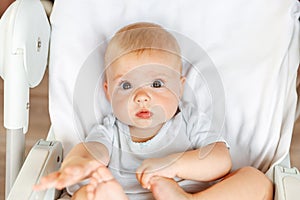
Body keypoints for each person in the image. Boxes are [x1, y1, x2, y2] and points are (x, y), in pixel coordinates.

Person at [34, 22, 273, 200]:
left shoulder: (189, 120)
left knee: (255, 180)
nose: (142, 96)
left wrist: (174, 164)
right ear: (108, 92)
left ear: (180, 86)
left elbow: (221, 159)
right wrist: (78, 164)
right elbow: (91, 151)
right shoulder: (110, 131)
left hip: (185, 193)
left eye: (156, 84)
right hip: (127, 196)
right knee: (89, 193)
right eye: (126, 85)